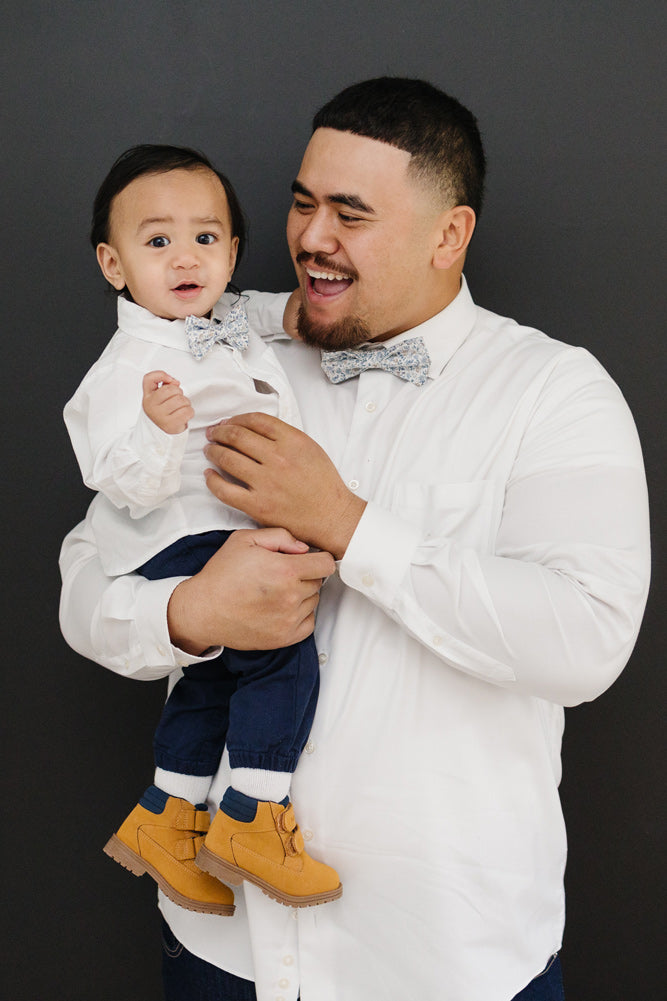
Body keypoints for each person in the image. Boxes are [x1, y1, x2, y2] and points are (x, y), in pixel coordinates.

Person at [60, 78, 650, 1001]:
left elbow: (584, 641)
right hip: (227, 954)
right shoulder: (221, 349)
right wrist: (183, 610)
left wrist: (348, 523)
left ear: (448, 234)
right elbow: (86, 583)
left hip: (445, 963)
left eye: (350, 212)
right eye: (301, 202)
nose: (309, 238)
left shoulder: (554, 393)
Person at [63, 144, 341, 918]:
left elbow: (255, 309)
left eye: (205, 239)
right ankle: (254, 812)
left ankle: (167, 813)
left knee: (211, 676)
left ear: (231, 254)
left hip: (213, 528)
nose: (185, 257)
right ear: (113, 265)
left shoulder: (218, 322)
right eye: (157, 242)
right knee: (282, 653)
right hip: (180, 532)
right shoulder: (130, 366)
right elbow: (119, 482)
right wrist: (159, 429)